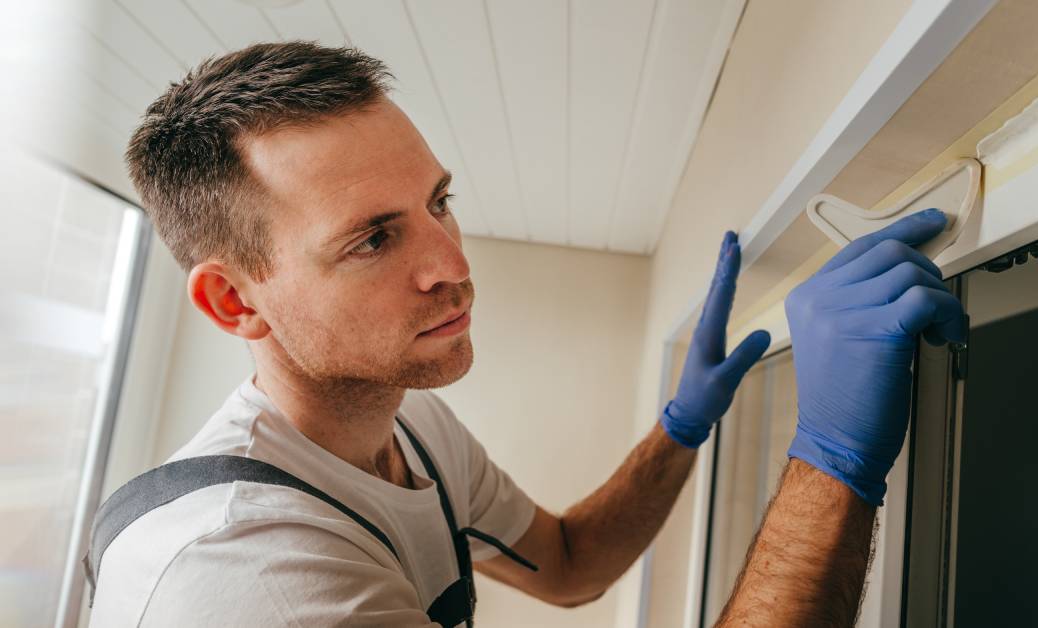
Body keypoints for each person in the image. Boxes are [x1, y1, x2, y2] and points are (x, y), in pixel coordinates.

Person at [88, 42, 964, 627]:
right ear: (235, 303)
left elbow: (572, 565)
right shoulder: (243, 579)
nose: (451, 265)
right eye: (372, 238)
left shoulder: (411, 427)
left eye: (439, 204)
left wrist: (682, 425)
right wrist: (832, 462)